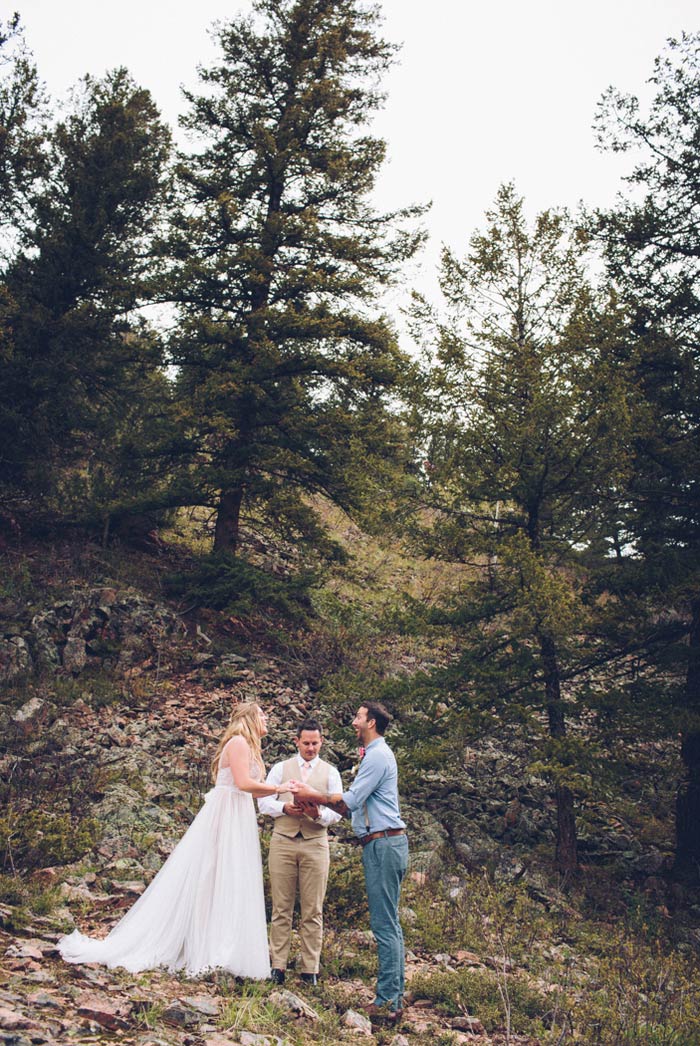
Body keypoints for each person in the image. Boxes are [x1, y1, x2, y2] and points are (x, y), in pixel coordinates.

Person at [59, 703, 284, 978]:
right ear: (249, 717)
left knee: (230, 878)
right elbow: (244, 784)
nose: (266, 718)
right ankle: (205, 947)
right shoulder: (238, 743)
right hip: (226, 816)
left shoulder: (250, 746)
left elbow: (253, 792)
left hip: (238, 814)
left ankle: (223, 946)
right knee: (213, 874)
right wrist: (279, 787)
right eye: (262, 714)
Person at [289, 701, 408, 1024]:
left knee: (385, 926)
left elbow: (351, 801)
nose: (353, 722)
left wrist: (310, 793)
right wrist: (318, 807)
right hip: (382, 843)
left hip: (383, 844)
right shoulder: (375, 755)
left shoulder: (378, 756)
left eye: (358, 717)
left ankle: (387, 1002)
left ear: (370, 722)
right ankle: (392, 999)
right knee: (389, 924)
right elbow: (351, 808)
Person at [258, 717, 342, 986]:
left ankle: (310, 969)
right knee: (281, 907)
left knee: (313, 909)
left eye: (315, 743)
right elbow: (263, 802)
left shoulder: (330, 772)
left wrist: (317, 815)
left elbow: (339, 810)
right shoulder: (281, 768)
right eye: (306, 743)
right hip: (283, 839)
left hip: (316, 842)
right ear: (296, 741)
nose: (310, 748)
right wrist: (284, 808)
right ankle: (277, 966)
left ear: (321, 741)